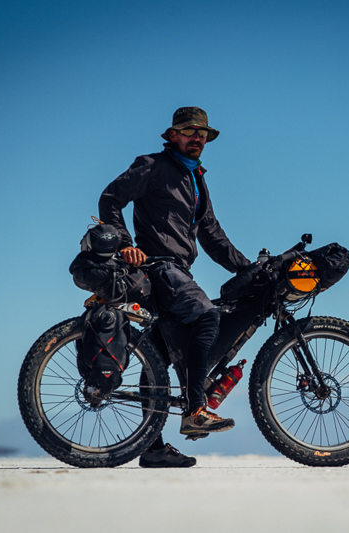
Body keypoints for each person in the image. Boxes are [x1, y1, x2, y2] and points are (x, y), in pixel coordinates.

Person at [98, 107, 251, 468]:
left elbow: (212, 235)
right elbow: (110, 198)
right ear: (173, 135)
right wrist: (123, 243)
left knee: (158, 357)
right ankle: (196, 408)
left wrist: (249, 269)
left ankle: (152, 447)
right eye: (189, 131)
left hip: (178, 269)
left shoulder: (196, 178)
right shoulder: (153, 166)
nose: (197, 138)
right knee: (207, 317)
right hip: (159, 266)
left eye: (202, 134)